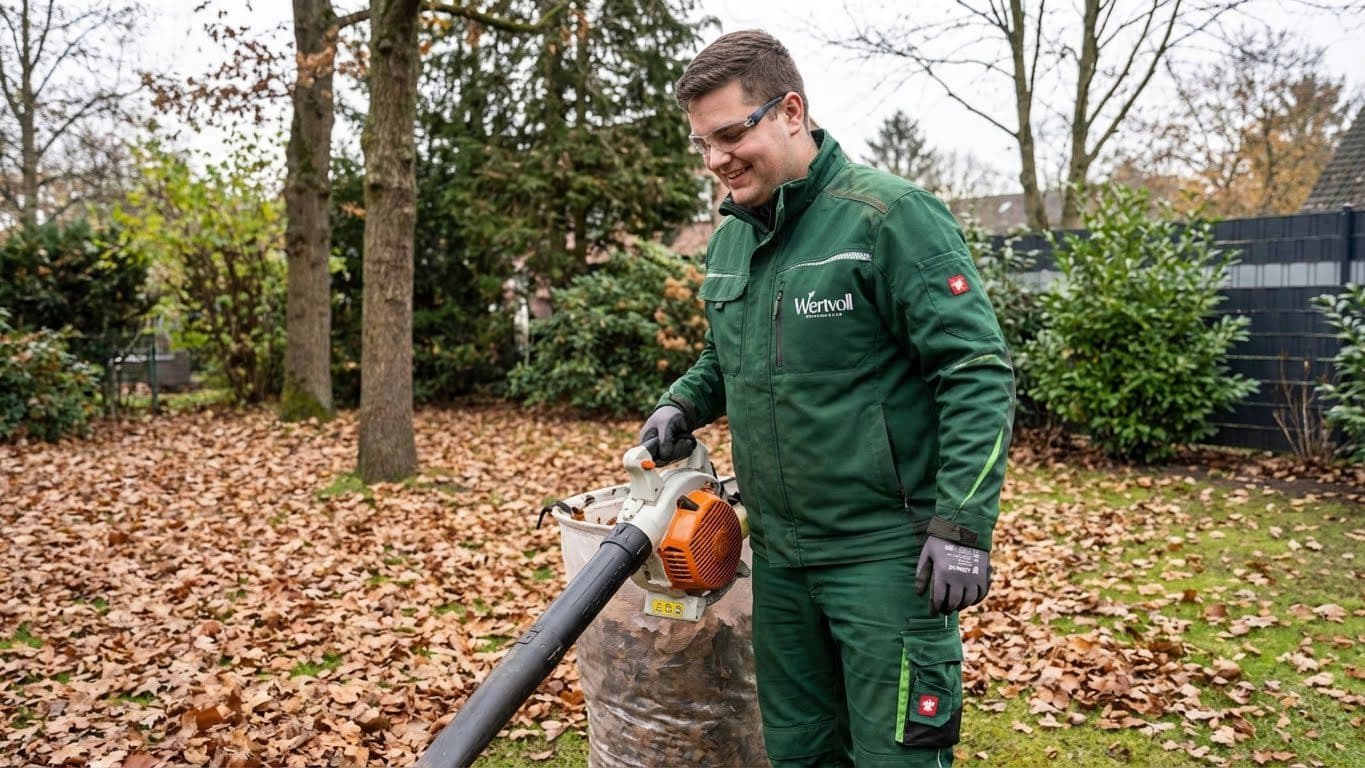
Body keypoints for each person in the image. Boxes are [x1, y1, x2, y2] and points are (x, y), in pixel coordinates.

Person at [637, 29, 1016, 768]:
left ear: (789, 111)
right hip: (777, 557)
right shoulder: (732, 239)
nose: (715, 161)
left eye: (727, 135)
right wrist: (681, 405)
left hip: (885, 559)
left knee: (894, 757)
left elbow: (976, 370)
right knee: (801, 753)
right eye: (701, 144)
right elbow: (727, 354)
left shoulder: (887, 217)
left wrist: (963, 527)